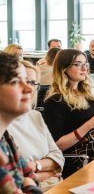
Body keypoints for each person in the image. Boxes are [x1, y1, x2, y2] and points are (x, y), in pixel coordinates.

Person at [43, 49, 94, 178]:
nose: (84, 68)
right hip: (80, 156)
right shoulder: (55, 100)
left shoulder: (86, 94)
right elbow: (57, 145)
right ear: (64, 68)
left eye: (86, 64)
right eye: (78, 64)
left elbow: (92, 125)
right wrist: (90, 124)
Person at [8, 60, 64, 192]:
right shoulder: (4, 125)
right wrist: (47, 173)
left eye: (32, 82)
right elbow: (12, 176)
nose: (29, 88)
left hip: (58, 185)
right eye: (19, 81)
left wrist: (34, 166)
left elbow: (58, 156)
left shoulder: (35, 116)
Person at [0, 52, 42, 193]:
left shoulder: (5, 138)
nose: (29, 89)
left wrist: (27, 181)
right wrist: (26, 182)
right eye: (15, 82)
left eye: (27, 80)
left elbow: (31, 176)